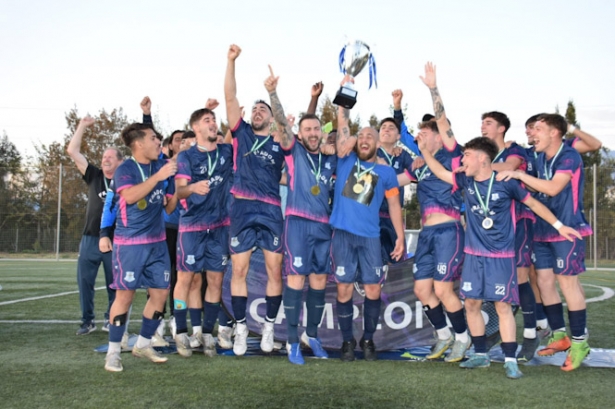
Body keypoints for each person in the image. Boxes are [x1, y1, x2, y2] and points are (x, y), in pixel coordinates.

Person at [419, 135, 581, 379]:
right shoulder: (465, 180)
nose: (462, 160)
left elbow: (535, 205)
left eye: (467, 156)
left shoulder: (506, 182)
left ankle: (509, 359)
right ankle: (481, 355)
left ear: (483, 159)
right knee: (471, 304)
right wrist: (425, 151)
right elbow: (441, 172)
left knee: (502, 306)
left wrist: (559, 226)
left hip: (501, 256)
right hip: (473, 255)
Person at [497, 113, 594, 372]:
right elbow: (509, 157)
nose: (532, 134)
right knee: (543, 282)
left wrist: (518, 175)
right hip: (542, 229)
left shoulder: (569, 155)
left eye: (538, 129)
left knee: (567, 283)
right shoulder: (536, 155)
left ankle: (580, 341)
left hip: (567, 229)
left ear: (555, 132)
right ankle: (560, 335)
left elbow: (552, 188)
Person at [264, 67, 336, 365]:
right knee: (296, 281)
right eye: (307, 129)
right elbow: (281, 123)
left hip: (324, 227)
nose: (313, 133)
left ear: (322, 132)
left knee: (318, 281)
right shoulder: (294, 151)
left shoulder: (330, 157)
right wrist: (272, 92)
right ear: (300, 134)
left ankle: (312, 335)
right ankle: (293, 341)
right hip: (297, 224)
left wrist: (317, 101)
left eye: (316, 129)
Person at [331, 75, 405, 362]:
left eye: (369, 137)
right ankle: (348, 340)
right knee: (344, 288)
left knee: (373, 288)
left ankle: (369, 340)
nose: (363, 140)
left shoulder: (386, 172)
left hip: (371, 237)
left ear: (377, 143)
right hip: (343, 236)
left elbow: (396, 206)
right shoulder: (345, 159)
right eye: (360, 136)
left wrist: (399, 236)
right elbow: (342, 121)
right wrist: (346, 90)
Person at [224, 44, 285, 356]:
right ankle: (240, 328)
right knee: (239, 271)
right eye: (256, 108)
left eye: (265, 110)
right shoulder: (243, 133)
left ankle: (270, 326)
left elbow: (288, 128)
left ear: (272, 119)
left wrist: (273, 96)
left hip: (272, 210)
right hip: (243, 208)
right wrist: (231, 61)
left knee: (275, 272)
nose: (258, 110)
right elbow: (231, 98)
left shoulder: (280, 140)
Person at [104, 122, 178, 372]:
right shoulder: (126, 169)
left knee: (160, 294)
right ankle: (113, 353)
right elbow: (131, 196)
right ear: (138, 143)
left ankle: (143, 345)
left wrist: (178, 193)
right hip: (130, 244)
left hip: (157, 243)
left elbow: (167, 207)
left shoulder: (160, 165)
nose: (159, 142)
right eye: (154, 138)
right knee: (124, 296)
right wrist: (159, 177)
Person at [173, 108, 234, 358]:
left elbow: (236, 135)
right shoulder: (186, 157)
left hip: (220, 227)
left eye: (214, 120)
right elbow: (179, 192)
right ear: (196, 128)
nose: (213, 123)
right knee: (185, 281)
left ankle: (207, 333)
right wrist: (192, 187)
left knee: (216, 281)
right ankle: (180, 332)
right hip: (192, 227)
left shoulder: (226, 152)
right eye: (207, 120)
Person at [66, 115, 123, 335]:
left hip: (114, 239)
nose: (105, 159)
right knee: (85, 283)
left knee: (113, 284)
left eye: (110, 156)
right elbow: (73, 151)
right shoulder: (94, 176)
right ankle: (87, 321)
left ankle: (111, 319)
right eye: (103, 156)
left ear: (119, 161)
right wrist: (82, 125)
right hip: (90, 238)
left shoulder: (125, 180)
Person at [376, 117, 411, 265]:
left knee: (394, 259)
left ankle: (391, 288)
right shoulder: (370, 152)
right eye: (383, 127)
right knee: (374, 259)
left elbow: (415, 174)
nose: (386, 129)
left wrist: (392, 182)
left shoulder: (402, 155)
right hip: (373, 215)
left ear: (398, 136)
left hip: (393, 217)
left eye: (391, 127)